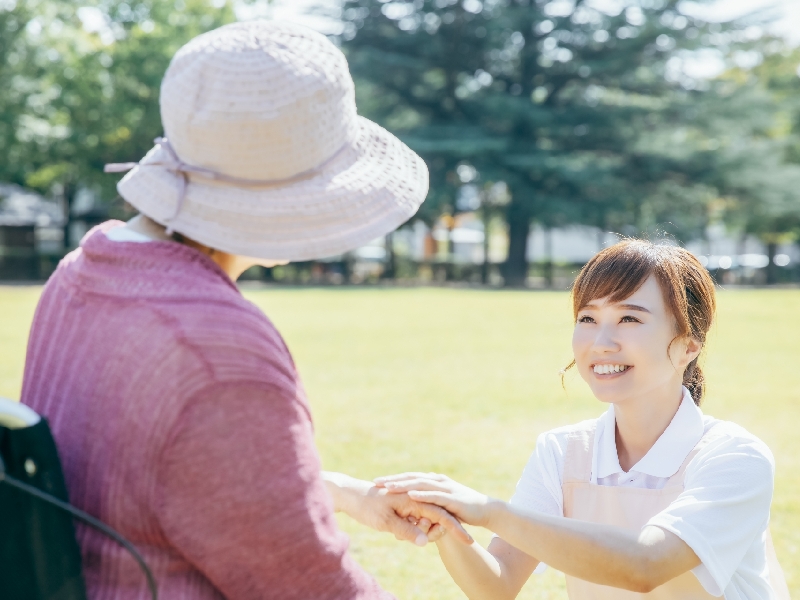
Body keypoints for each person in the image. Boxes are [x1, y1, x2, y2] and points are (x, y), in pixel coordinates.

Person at [20, 21, 471, 599]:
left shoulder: (79, 274)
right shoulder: (216, 349)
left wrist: (337, 492)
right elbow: (311, 588)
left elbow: (159, 480)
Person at [377, 240, 791, 600]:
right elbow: (496, 586)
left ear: (687, 347)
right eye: (588, 319)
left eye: (629, 319)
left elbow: (646, 564)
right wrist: (444, 520)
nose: (601, 343)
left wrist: (488, 511)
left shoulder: (734, 457)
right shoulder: (562, 451)